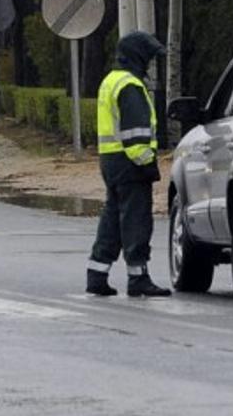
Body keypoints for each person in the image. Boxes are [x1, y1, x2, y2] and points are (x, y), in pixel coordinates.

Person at [86, 31, 172, 297]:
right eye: (148, 58)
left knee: (112, 219)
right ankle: (138, 278)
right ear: (137, 57)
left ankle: (97, 274)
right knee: (136, 220)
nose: (150, 64)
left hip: (110, 161)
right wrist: (147, 164)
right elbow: (135, 135)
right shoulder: (130, 86)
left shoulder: (111, 80)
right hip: (130, 162)